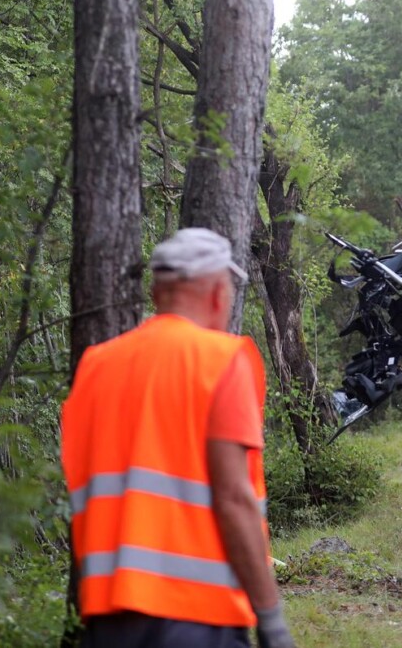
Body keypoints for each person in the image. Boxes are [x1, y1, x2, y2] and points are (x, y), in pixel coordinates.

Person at [61, 228, 295, 648]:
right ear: (216, 292)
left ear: (157, 293)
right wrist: (271, 619)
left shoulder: (96, 367)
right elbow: (233, 499)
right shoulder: (221, 360)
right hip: (197, 618)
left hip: (107, 622)